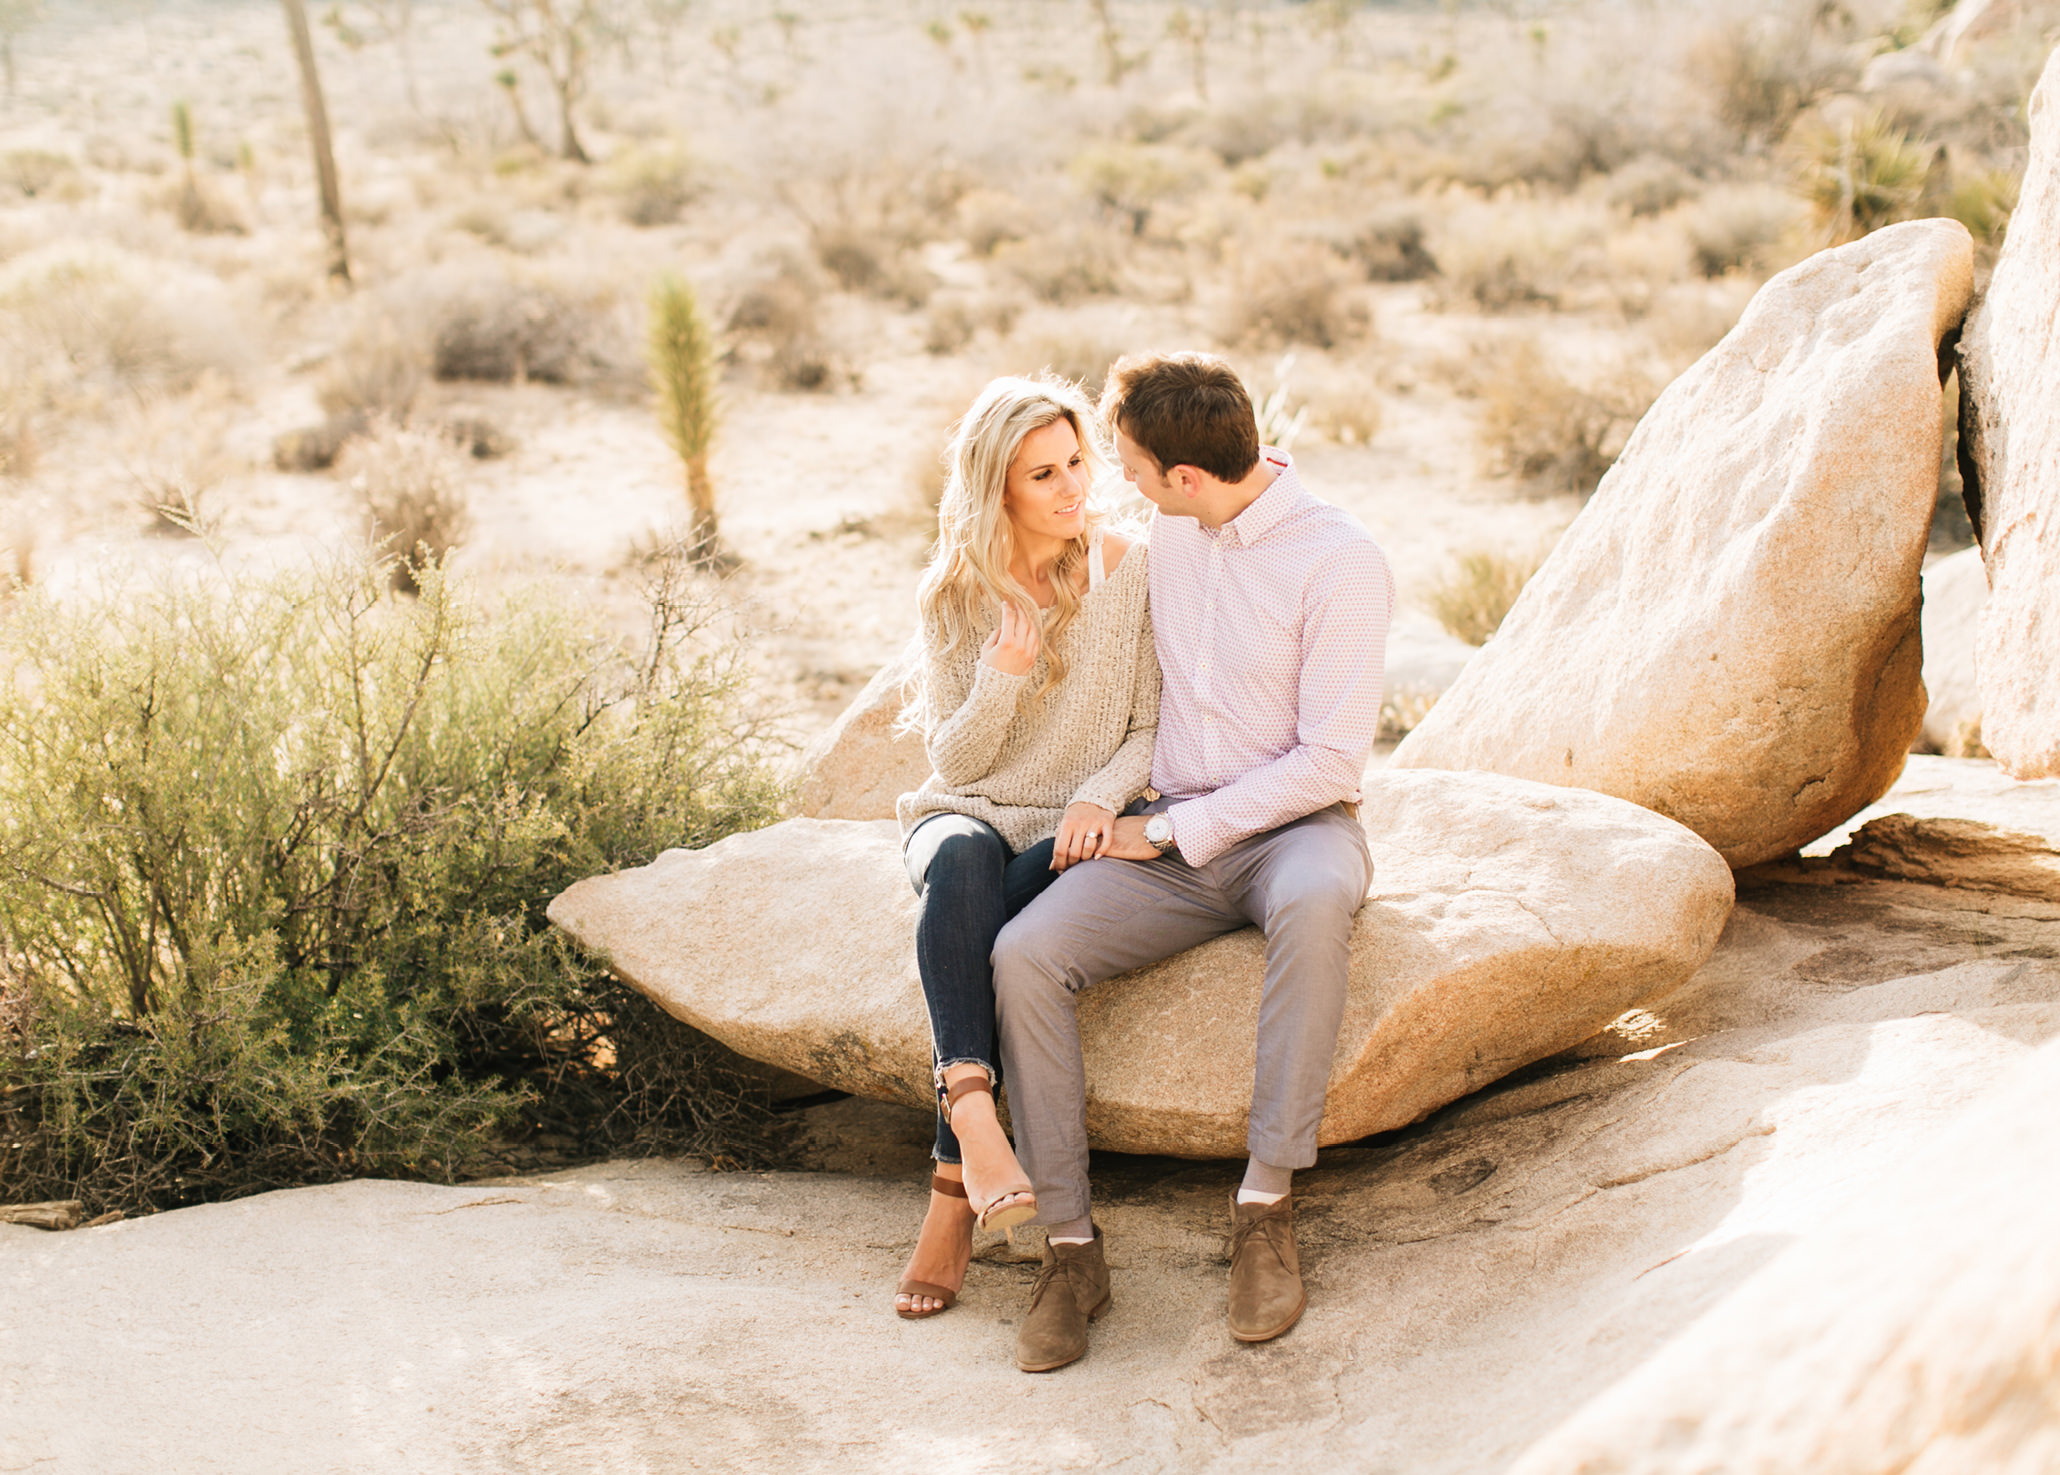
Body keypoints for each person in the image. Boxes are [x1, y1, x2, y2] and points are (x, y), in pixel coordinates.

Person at [992, 351, 1393, 1372]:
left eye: (1125, 463)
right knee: (1026, 951)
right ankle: (1070, 1247)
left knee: (1312, 906)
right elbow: (1017, 525)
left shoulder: (1339, 559)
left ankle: (1263, 1206)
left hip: (1290, 827)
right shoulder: (1165, 534)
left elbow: (1331, 758)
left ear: (1185, 476)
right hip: (1163, 829)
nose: (1111, 481)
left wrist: (1175, 830)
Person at [891, 375, 1160, 1321]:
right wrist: (1002, 675)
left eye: (1077, 462)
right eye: (1042, 473)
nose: (1072, 487)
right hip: (962, 812)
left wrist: (1096, 796)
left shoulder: (1127, 569)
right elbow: (952, 757)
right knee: (960, 862)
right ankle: (969, 1117)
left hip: (1059, 829)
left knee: (986, 922)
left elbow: (1148, 728)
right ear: (997, 487)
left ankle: (952, 1169)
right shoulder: (957, 594)